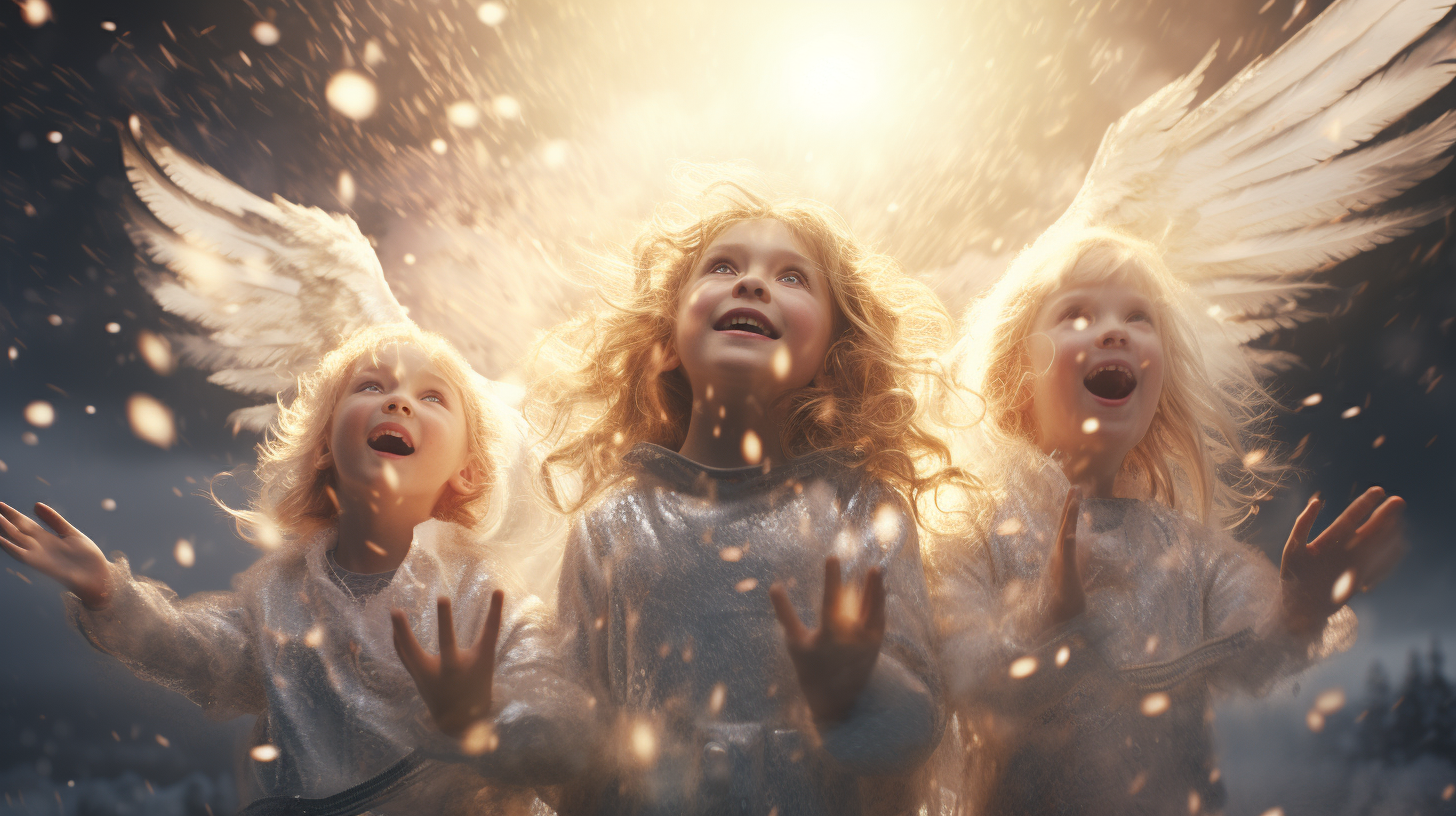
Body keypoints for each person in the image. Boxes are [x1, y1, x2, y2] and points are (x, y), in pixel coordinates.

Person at [0, 323, 588, 815]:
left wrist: (482, 719)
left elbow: (559, 737)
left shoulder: (492, 604)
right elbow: (197, 654)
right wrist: (108, 591)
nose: (398, 399)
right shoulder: (280, 597)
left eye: (433, 396)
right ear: (326, 445)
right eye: (370, 386)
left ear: (469, 471)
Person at [930, 229, 1407, 816]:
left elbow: (1252, 652)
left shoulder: (1188, 547)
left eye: (1139, 317)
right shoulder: (977, 527)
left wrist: (1299, 608)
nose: (1114, 330)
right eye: (1075, 313)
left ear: (1159, 385)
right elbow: (960, 674)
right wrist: (1044, 618)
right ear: (1016, 377)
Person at [526, 178, 965, 815]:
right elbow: (574, 755)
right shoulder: (613, 526)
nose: (752, 283)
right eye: (723, 266)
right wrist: (498, 725)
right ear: (664, 342)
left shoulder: (862, 510)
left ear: (834, 355)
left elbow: (916, 736)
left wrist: (861, 692)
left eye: (793, 277)